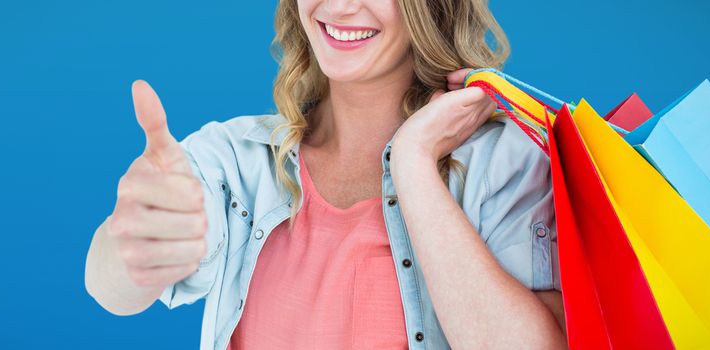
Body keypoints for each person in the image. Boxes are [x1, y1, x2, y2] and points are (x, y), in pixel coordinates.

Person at [85, 0, 566, 348]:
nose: (338, 6)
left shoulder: (507, 166)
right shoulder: (238, 157)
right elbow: (112, 289)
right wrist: (132, 241)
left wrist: (413, 162)